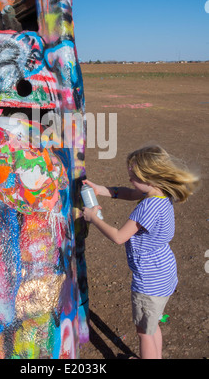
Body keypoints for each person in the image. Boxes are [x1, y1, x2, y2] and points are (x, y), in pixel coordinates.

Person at [82, 145, 199, 359]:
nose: (129, 179)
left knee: (144, 332)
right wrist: (102, 189)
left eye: (133, 176)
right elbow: (129, 192)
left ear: (150, 178)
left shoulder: (147, 207)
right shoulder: (162, 194)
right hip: (164, 273)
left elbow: (119, 236)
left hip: (149, 281)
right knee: (152, 326)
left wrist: (93, 218)